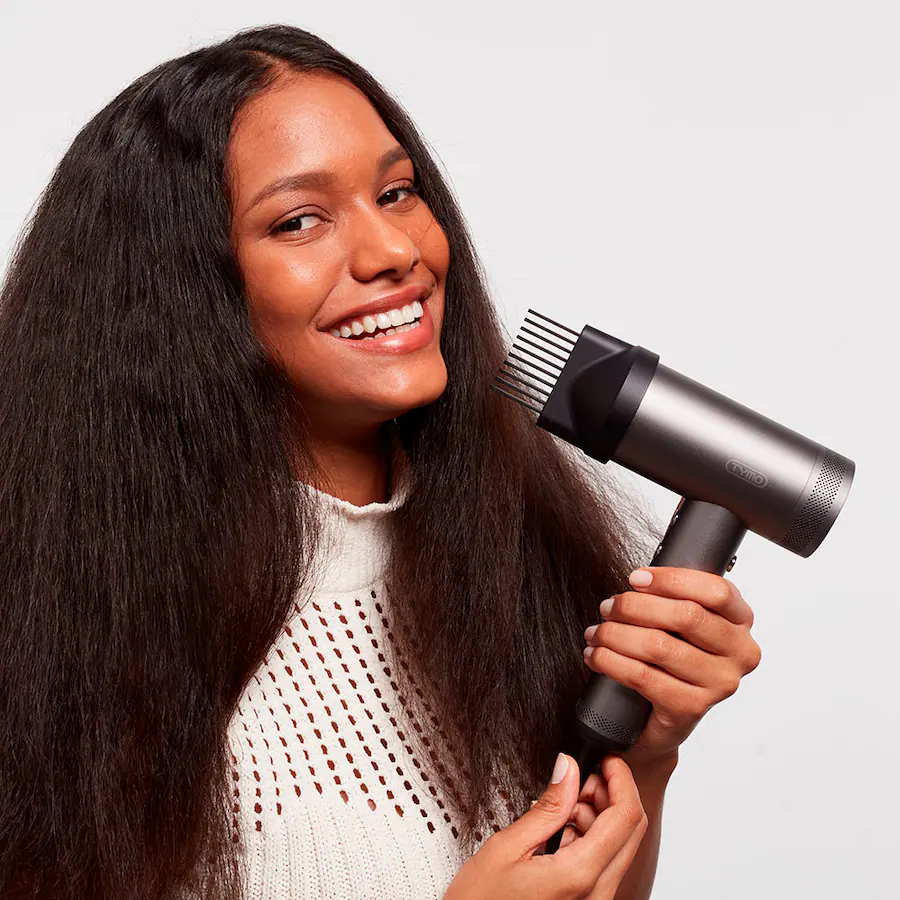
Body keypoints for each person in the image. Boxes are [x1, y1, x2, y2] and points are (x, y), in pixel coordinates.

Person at [0, 24, 762, 900]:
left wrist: (646, 755)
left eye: (397, 193)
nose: (393, 251)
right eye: (299, 220)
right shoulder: (61, 636)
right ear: (175, 298)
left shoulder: (520, 563)